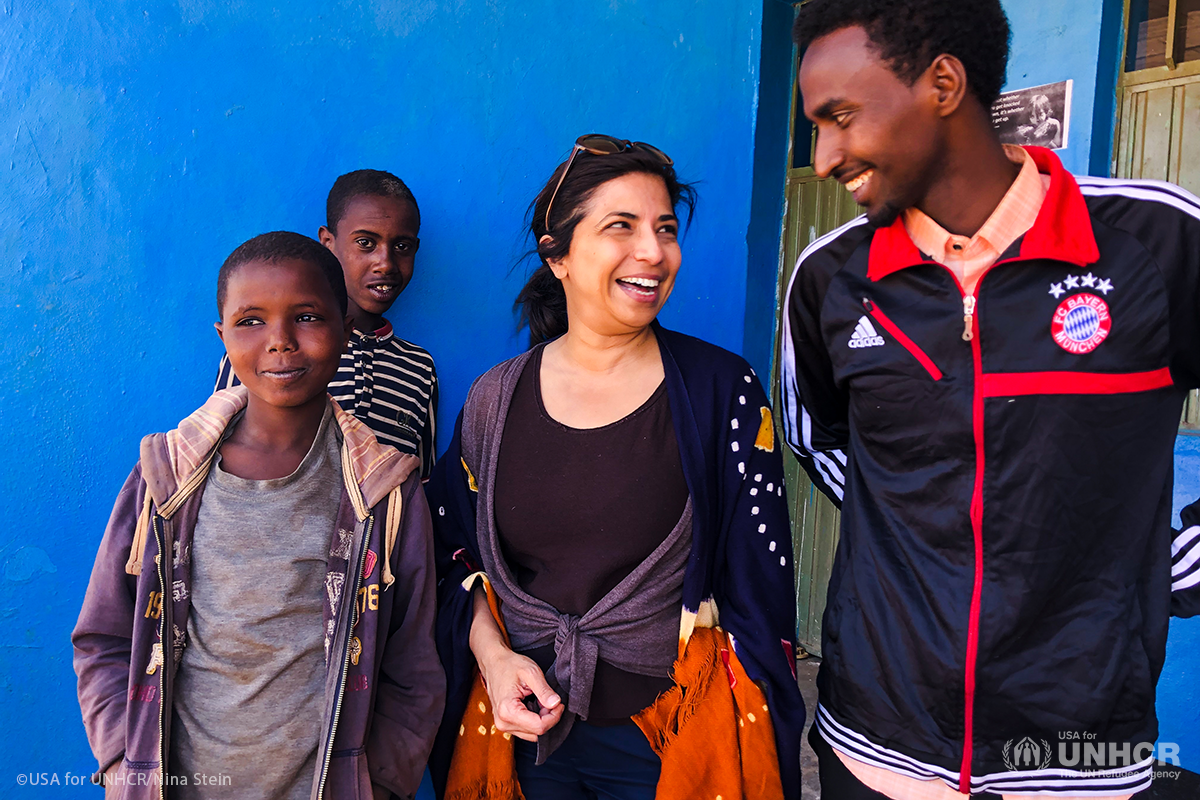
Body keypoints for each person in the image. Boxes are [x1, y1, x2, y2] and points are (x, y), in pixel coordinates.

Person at [782, 1, 1200, 798]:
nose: (827, 155)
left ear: (943, 83)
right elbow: (820, 437)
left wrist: (1163, 560)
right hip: (877, 739)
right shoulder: (831, 279)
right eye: (815, 127)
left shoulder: (1155, 242)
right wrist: (919, 527)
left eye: (841, 117)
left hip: (1081, 753)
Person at [425, 135, 805, 800]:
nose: (653, 253)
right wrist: (493, 655)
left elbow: (760, 599)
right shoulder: (494, 400)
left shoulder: (721, 394)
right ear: (558, 256)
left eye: (664, 229)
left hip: (673, 743)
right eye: (620, 228)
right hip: (522, 731)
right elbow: (449, 553)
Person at [73, 232, 445, 799]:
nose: (279, 342)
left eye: (307, 317)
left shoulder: (385, 493)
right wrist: (125, 762)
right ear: (222, 336)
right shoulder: (165, 479)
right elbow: (103, 637)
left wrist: (385, 784)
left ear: (345, 330)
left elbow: (413, 665)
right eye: (251, 321)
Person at [216, 170, 439, 479]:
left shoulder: (419, 368)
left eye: (402, 246)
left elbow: (422, 480)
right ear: (327, 243)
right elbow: (217, 455)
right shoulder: (263, 355)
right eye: (365, 243)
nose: (385, 263)